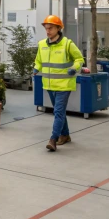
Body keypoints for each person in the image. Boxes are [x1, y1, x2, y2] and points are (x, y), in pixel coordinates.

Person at [34, 15, 84, 152]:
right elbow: (39, 60)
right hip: (49, 84)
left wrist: (74, 68)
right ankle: (65, 134)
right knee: (59, 112)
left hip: (64, 84)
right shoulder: (42, 44)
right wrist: (36, 68)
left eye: (50, 28)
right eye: (46, 28)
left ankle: (53, 139)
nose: (48, 31)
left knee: (58, 111)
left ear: (58, 28)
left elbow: (79, 59)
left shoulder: (68, 44)